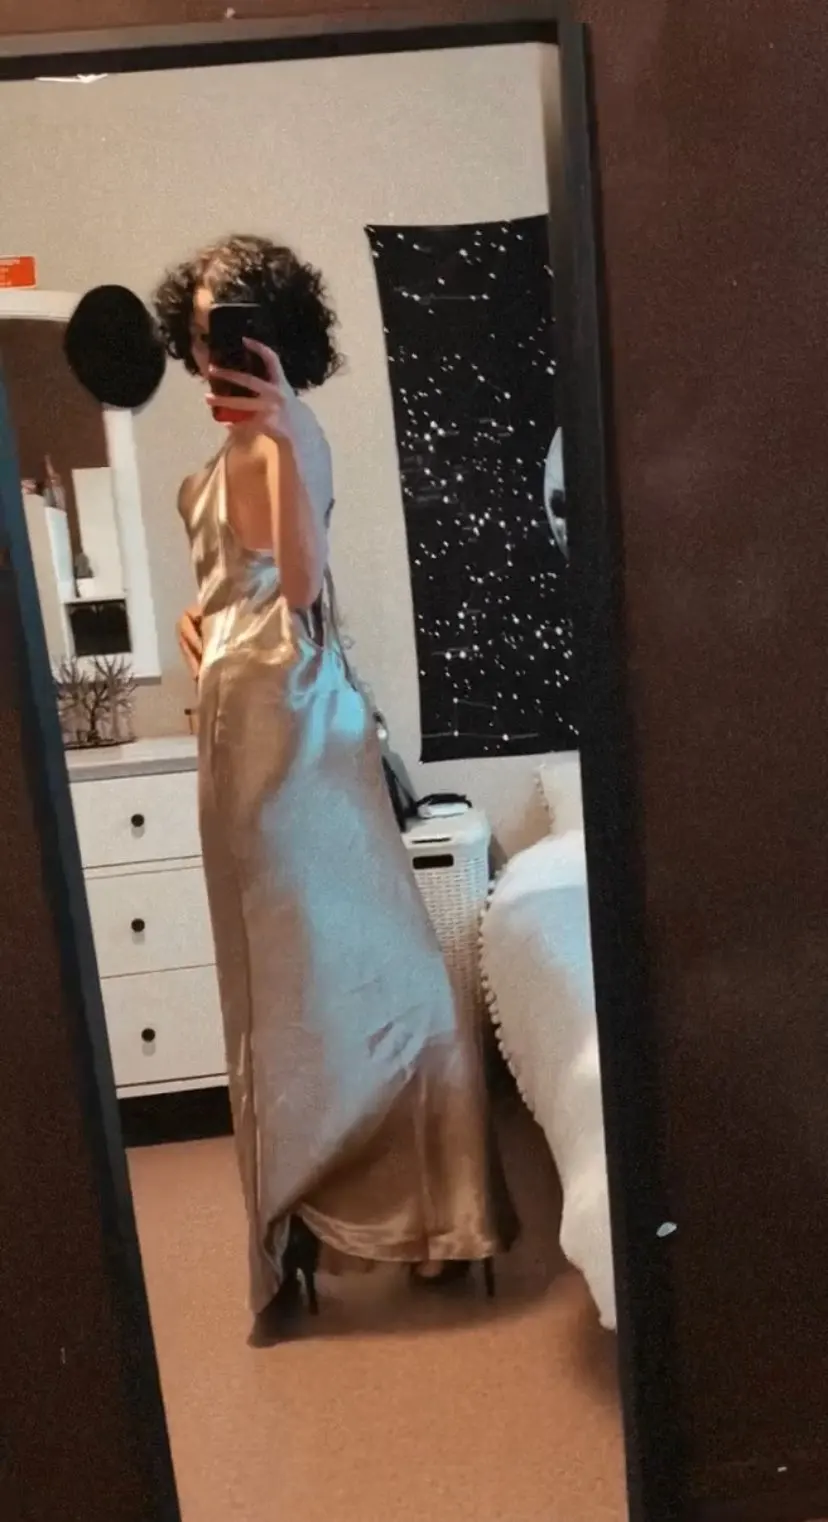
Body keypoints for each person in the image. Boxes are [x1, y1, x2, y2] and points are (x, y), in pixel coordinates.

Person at [153, 235, 517, 1340]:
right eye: (203, 333)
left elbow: (303, 585)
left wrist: (280, 436)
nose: (215, 353)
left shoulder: (288, 435)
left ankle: (412, 1210)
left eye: (234, 330)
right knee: (292, 979)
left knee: (357, 966)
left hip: (295, 726)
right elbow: (239, 591)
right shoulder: (220, 460)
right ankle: (353, 1214)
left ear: (276, 337)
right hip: (245, 723)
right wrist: (204, 626)